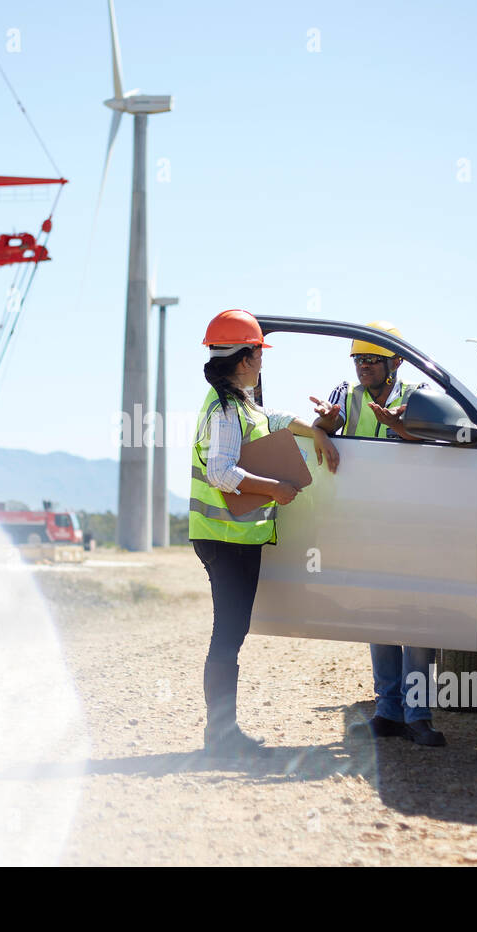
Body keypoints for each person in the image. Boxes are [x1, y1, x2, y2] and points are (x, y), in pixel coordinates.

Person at [191, 308, 340, 757]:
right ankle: (221, 737)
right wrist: (275, 488)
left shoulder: (238, 405)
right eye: (259, 354)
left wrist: (315, 431)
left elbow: (272, 419)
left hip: (234, 539)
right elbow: (220, 471)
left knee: (231, 632)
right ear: (245, 360)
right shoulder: (223, 410)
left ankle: (223, 733)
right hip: (225, 540)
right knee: (228, 634)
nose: (262, 363)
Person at [310, 323, 447, 747]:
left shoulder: (419, 397)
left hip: (413, 525)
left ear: (396, 363)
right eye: (358, 360)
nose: (363, 367)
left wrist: (402, 428)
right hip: (367, 525)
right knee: (380, 618)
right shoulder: (345, 397)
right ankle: (388, 711)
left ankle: (418, 714)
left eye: (372, 360)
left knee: (418, 620)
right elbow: (324, 430)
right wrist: (322, 428)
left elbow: (438, 443)